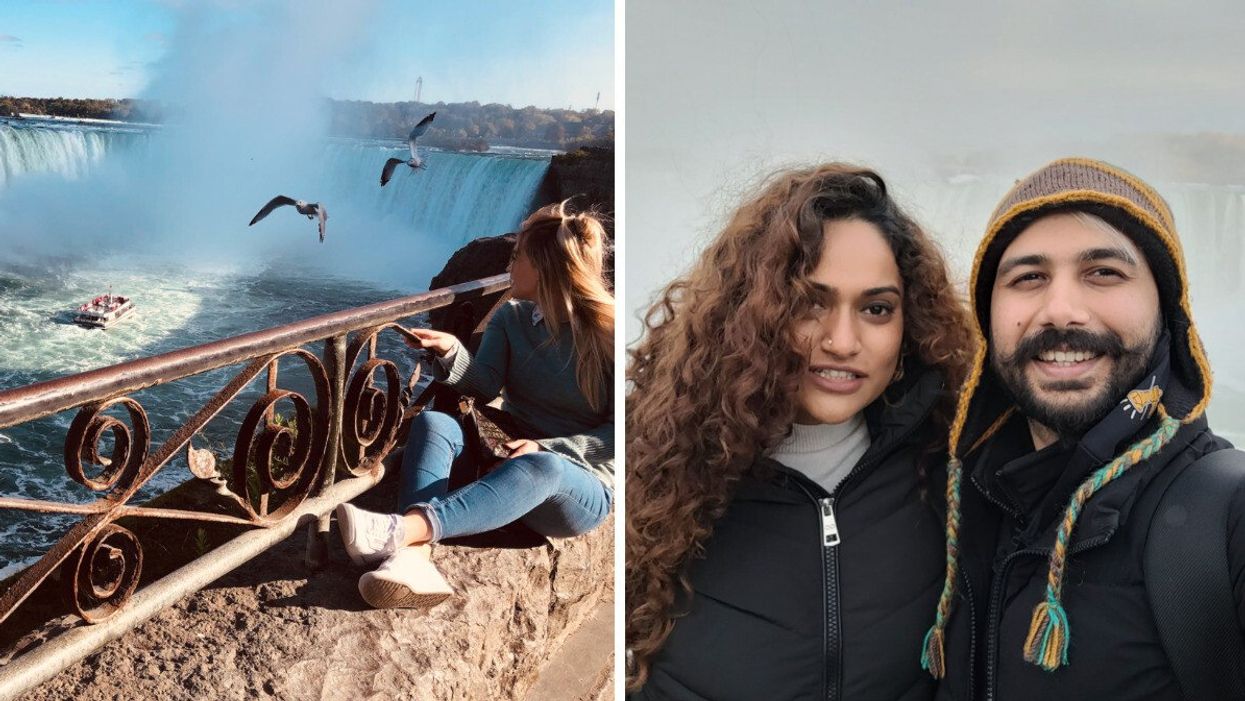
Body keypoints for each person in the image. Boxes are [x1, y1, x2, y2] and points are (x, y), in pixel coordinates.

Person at [626, 164, 974, 700]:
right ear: (752, 313)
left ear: (910, 326)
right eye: (811, 304)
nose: (842, 341)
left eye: (876, 309)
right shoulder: (663, 465)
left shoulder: (954, 463)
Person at [919, 157, 1245, 700]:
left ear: (1168, 309)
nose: (1061, 310)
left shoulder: (1228, 517)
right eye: (1028, 278)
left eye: (1103, 273)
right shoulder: (954, 500)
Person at [335, 201, 615, 609]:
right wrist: (452, 353)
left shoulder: (608, 335)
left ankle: (400, 531)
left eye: (516, 257)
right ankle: (412, 559)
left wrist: (548, 448)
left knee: (542, 466)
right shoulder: (512, 317)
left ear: (542, 268)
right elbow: (483, 386)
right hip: (506, 456)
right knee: (434, 423)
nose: (509, 266)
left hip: (576, 484)